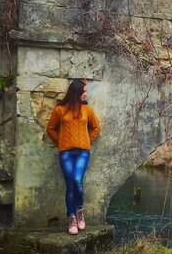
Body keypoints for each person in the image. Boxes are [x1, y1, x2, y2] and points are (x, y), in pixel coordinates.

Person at [46, 79, 101, 235]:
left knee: (77, 179)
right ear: (77, 92)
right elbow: (50, 128)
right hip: (66, 153)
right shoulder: (59, 110)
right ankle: (71, 217)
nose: (86, 94)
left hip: (83, 152)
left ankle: (79, 210)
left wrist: (86, 140)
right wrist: (61, 140)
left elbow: (96, 127)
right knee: (70, 184)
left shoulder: (87, 110)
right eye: (84, 90)